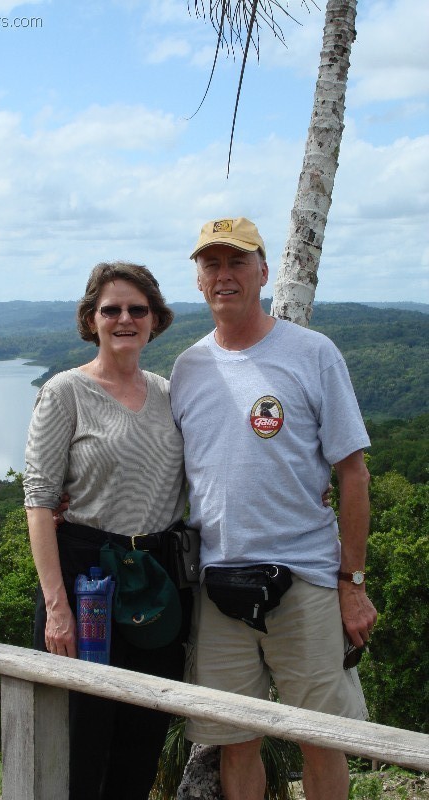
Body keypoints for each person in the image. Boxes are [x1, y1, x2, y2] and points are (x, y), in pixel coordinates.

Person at [170, 217, 377, 800]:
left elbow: (353, 474)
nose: (224, 275)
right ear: (199, 280)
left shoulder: (312, 353)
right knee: (236, 740)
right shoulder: (187, 369)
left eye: (237, 262)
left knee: (322, 739)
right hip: (217, 583)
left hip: (307, 580)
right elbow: (165, 469)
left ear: (264, 271)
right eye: (212, 264)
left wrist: (352, 582)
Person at [23, 261, 192, 800]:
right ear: (91, 319)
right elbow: (39, 501)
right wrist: (57, 608)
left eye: (137, 309)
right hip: (87, 579)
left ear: (155, 319)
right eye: (111, 309)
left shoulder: (170, 394)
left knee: (142, 738)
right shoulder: (65, 392)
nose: (125, 319)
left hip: (159, 579)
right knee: (80, 742)